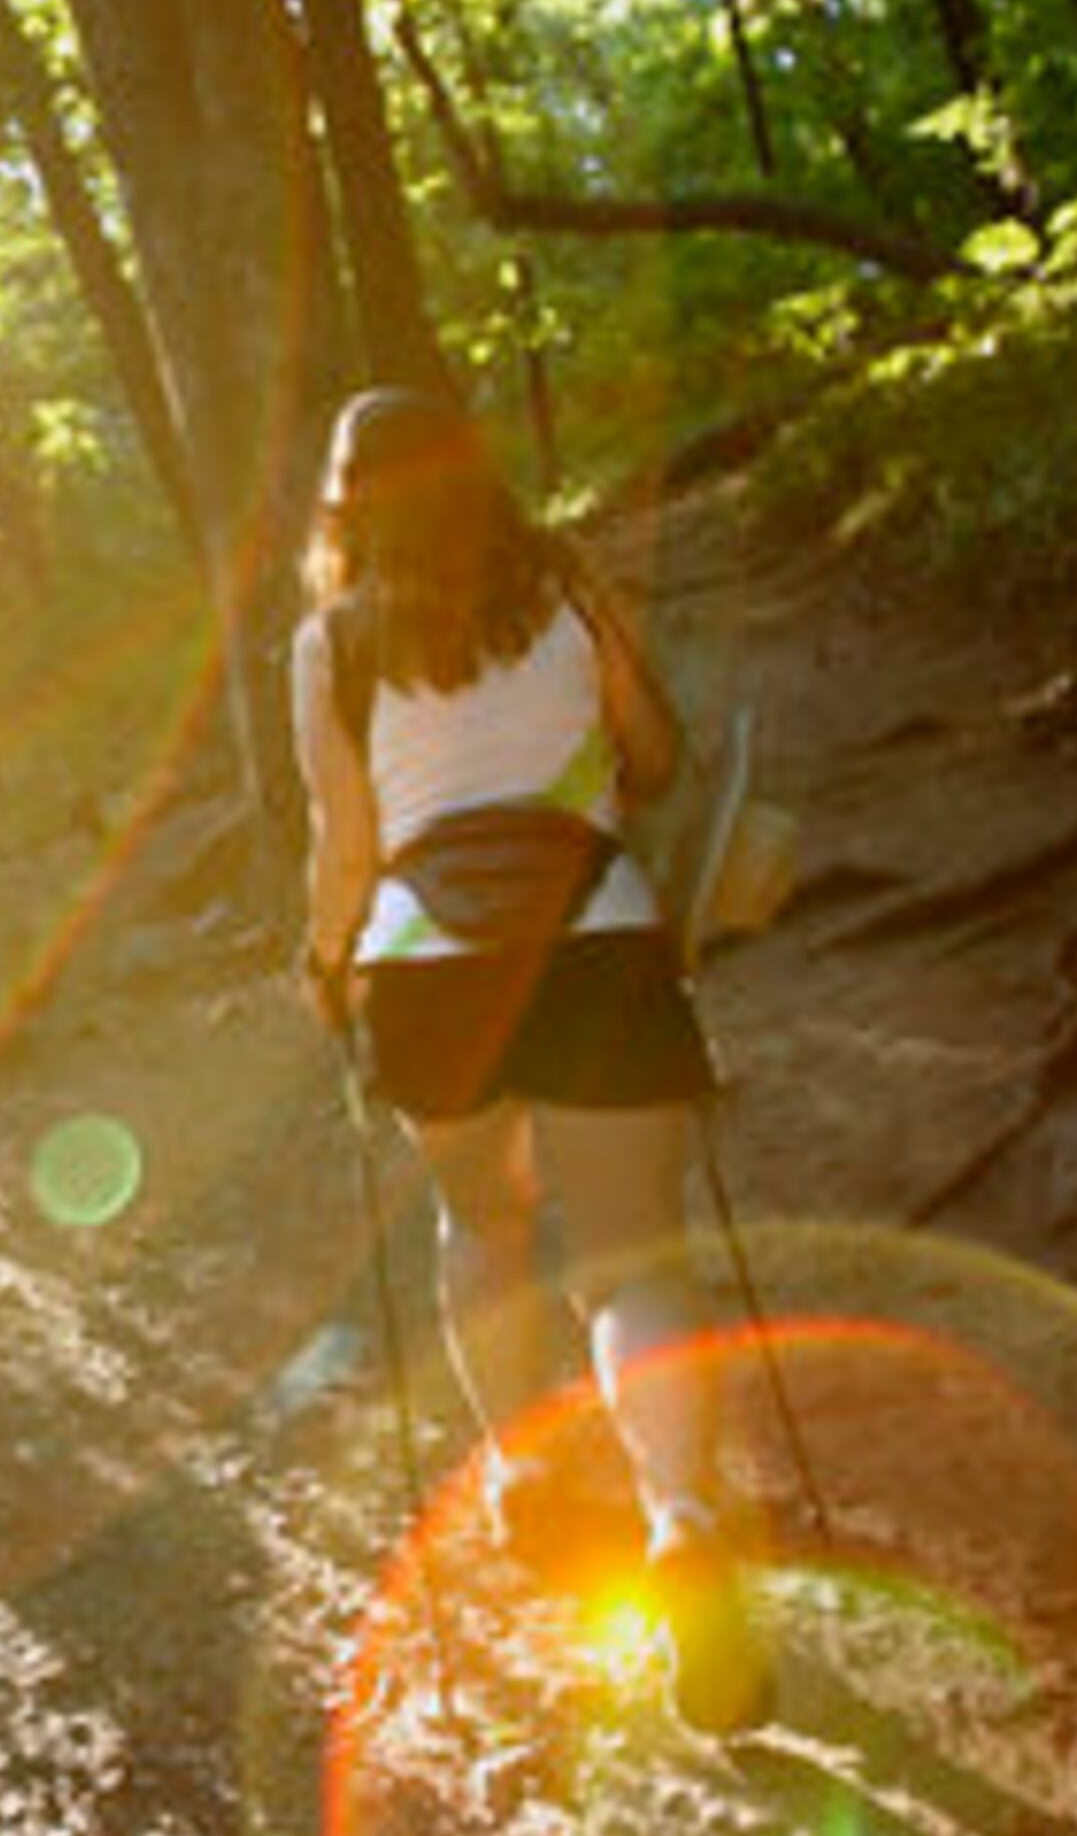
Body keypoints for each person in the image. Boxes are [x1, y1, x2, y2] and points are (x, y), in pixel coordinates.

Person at [287, 386, 769, 1735]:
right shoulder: (566, 583)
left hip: (428, 971)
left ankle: (535, 1477)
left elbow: (345, 845)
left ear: (346, 503)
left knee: (482, 1225)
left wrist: (324, 963)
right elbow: (659, 759)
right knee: (637, 1256)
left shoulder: (330, 648)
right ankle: (681, 1518)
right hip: (596, 944)